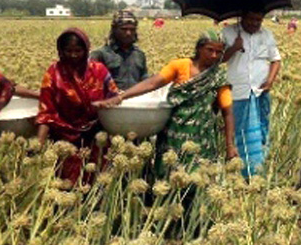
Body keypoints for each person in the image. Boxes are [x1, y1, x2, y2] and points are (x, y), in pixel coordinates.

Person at [94, 30, 238, 171]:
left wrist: (230, 146)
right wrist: (120, 97)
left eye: (219, 52)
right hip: (173, 134)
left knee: (198, 178)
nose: (214, 55)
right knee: (168, 175)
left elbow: (227, 111)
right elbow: (152, 83)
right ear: (199, 48)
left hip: (202, 138)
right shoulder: (180, 66)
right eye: (209, 50)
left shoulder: (219, 76)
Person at [36, 28, 119, 185]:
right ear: (60, 51)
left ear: (86, 50)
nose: (73, 55)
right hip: (65, 137)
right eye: (68, 51)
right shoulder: (54, 73)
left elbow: (115, 97)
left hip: (97, 137)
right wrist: (38, 143)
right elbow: (46, 110)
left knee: (97, 182)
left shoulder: (98, 71)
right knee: (68, 182)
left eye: (78, 50)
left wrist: (108, 104)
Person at [222, 9, 281, 177]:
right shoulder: (228, 32)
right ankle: (239, 172)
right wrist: (234, 48)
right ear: (242, 17)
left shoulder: (267, 34)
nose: (255, 23)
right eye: (251, 19)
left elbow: (276, 60)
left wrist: (270, 80)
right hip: (238, 91)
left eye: (258, 20)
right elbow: (219, 58)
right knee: (238, 131)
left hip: (260, 91)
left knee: (261, 129)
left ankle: (258, 170)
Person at [90, 10, 148, 91]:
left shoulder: (139, 54)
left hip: (136, 101)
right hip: (110, 101)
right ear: (114, 30)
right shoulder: (100, 54)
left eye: (132, 29)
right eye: (124, 29)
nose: (128, 33)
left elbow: (145, 79)